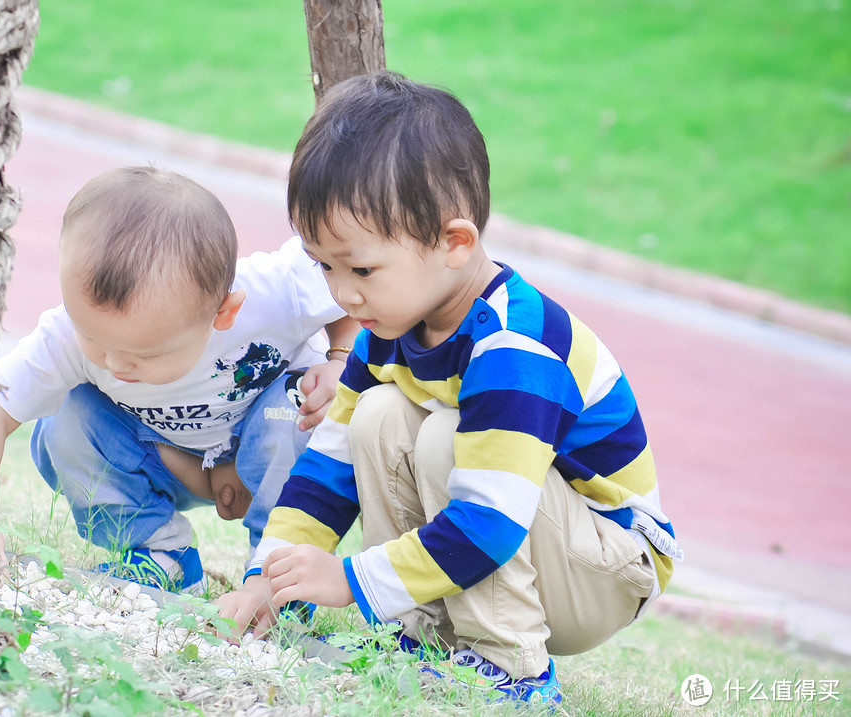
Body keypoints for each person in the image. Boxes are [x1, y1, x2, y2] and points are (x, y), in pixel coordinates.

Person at [215, 72, 681, 704]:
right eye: (325, 266)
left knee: (443, 439)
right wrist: (267, 578)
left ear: (454, 243)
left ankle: (511, 669)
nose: (342, 294)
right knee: (376, 413)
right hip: (523, 542)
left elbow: (490, 521)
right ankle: (418, 639)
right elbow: (328, 467)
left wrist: (349, 580)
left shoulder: (515, 347)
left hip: (604, 567)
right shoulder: (389, 326)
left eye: (362, 268)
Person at [0, 166, 358, 593]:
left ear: (224, 314)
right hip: (167, 459)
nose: (114, 364)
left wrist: (340, 358)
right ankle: (160, 552)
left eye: (146, 354)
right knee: (63, 424)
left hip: (271, 450)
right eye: (93, 337)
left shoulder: (273, 290)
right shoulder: (67, 336)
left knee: (294, 409)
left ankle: (279, 574)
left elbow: (340, 279)